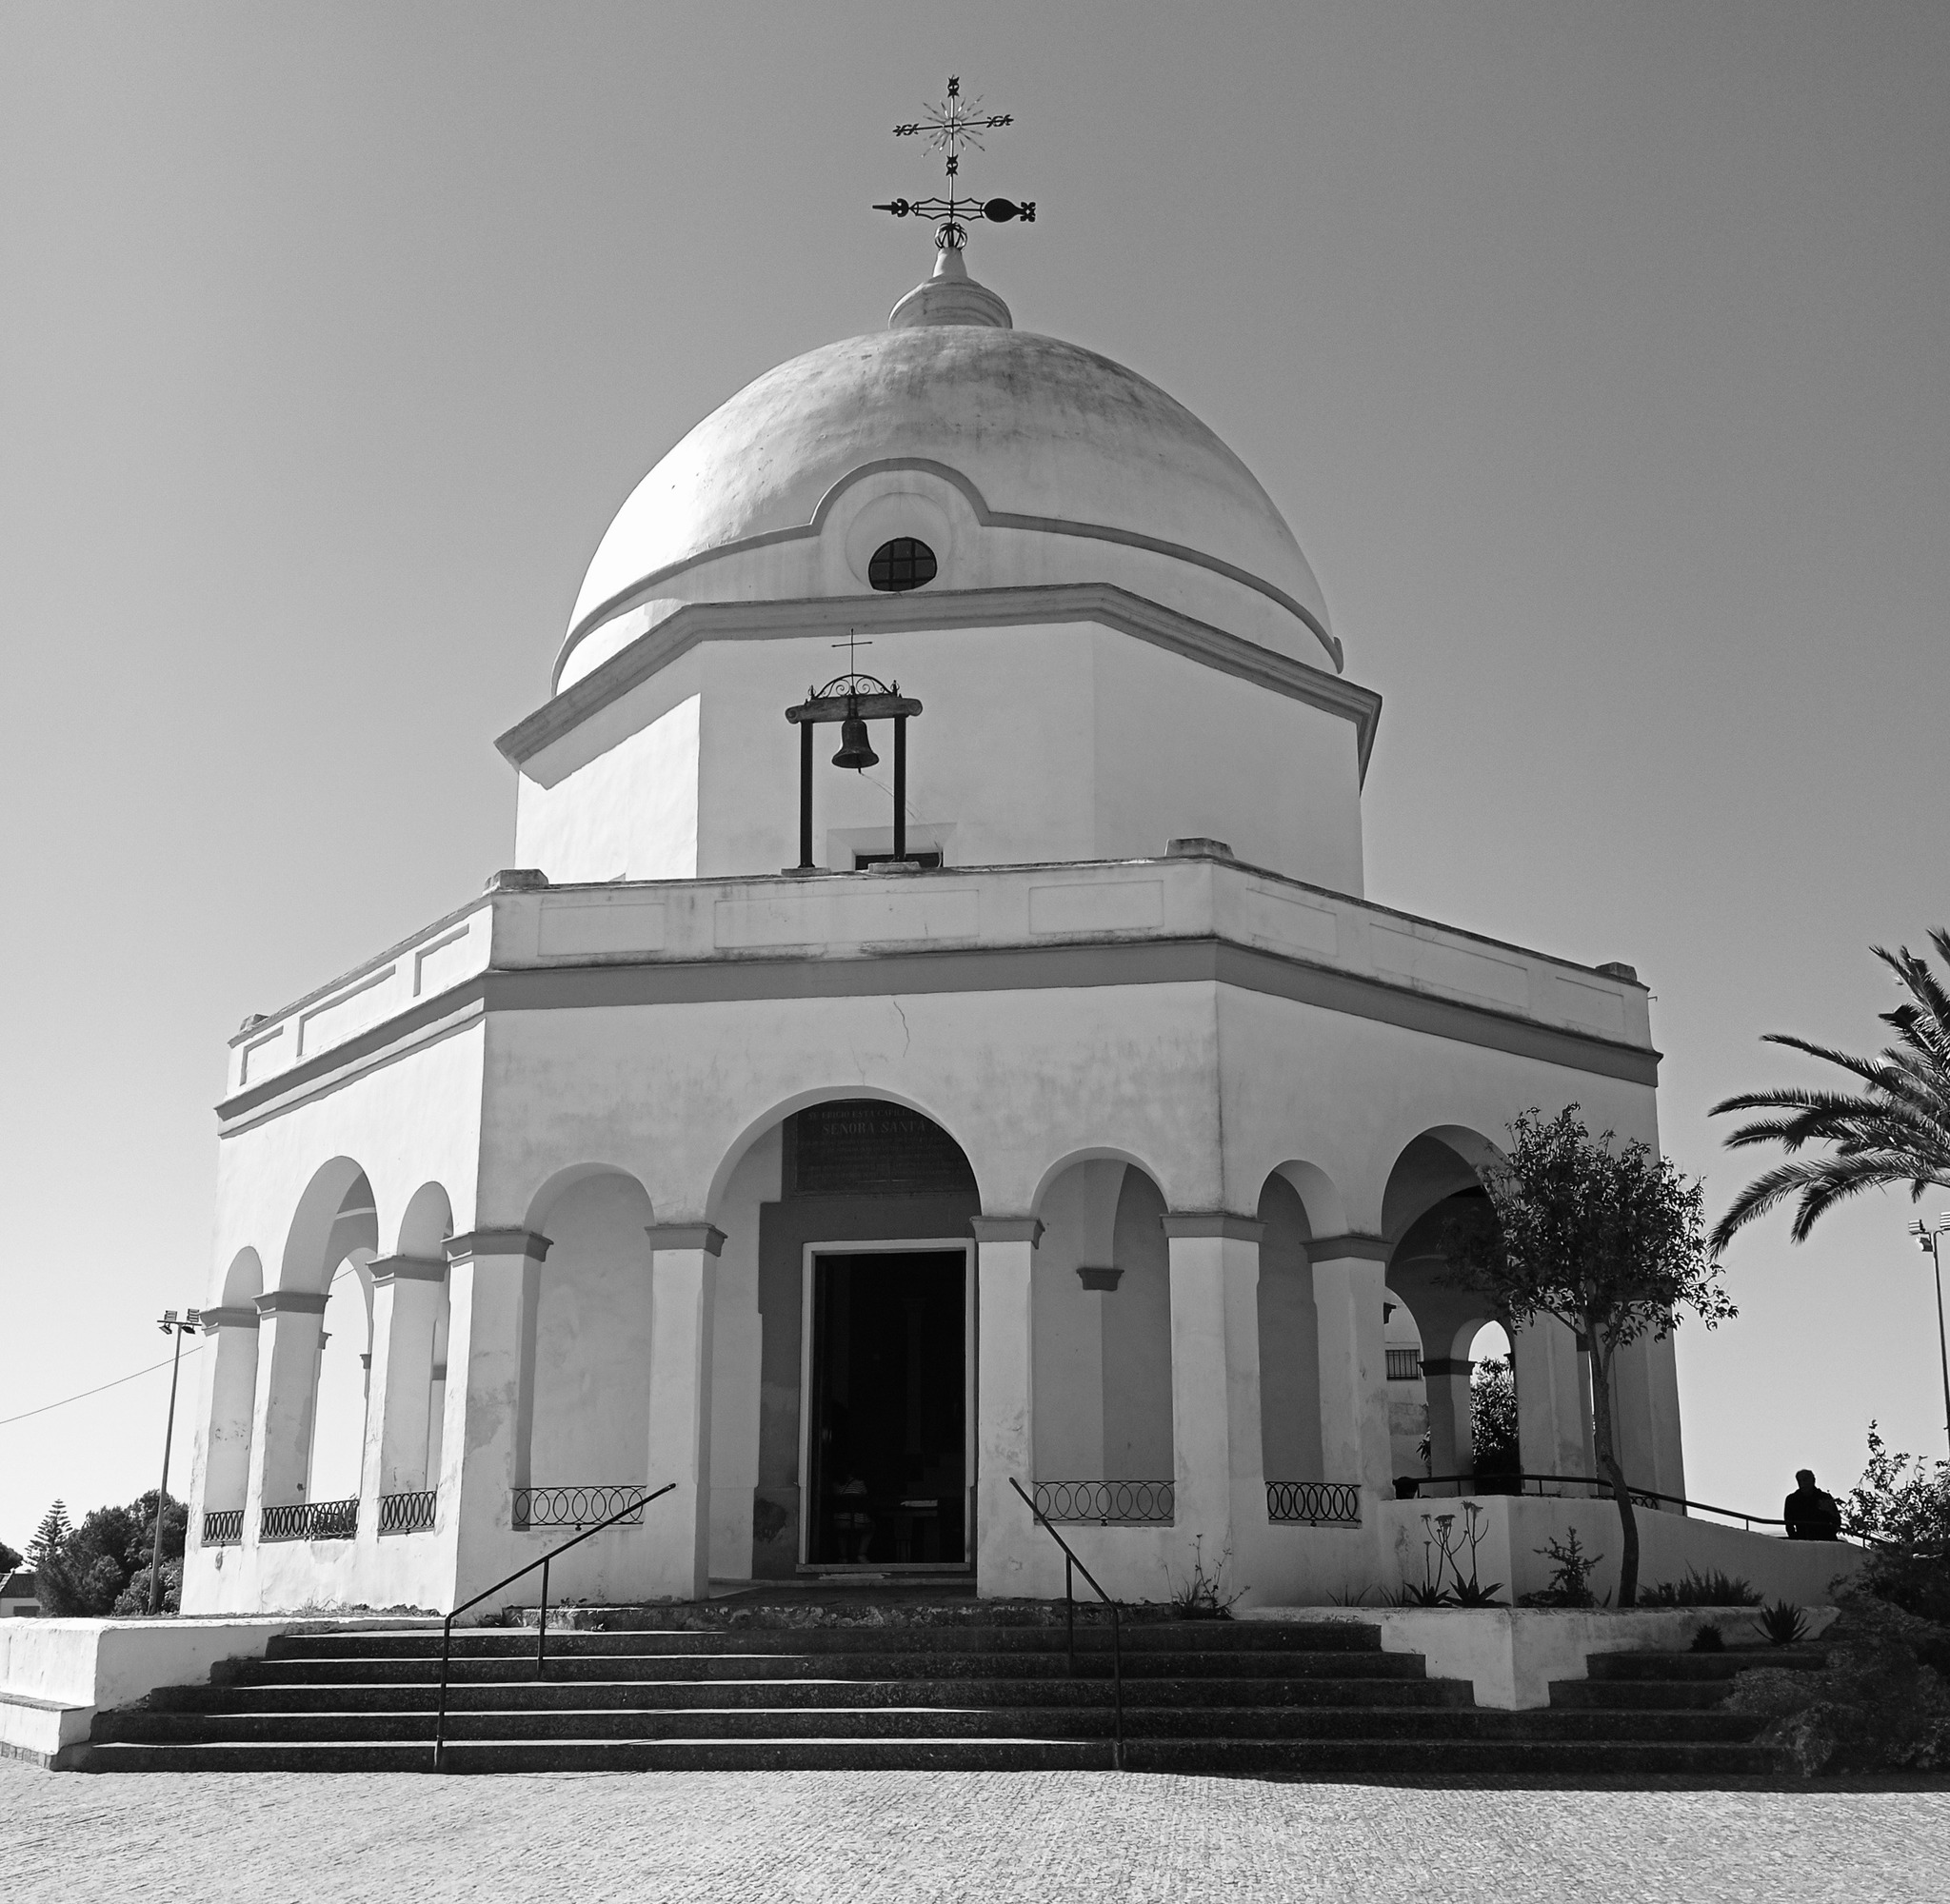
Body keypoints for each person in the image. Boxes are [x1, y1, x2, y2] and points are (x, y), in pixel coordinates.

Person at [1783, 1468, 1842, 1540]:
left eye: (1805, 1480)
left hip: (1825, 1540)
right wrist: (1796, 1541)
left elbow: (1837, 1521)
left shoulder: (1825, 1498)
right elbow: (1789, 1525)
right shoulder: (1792, 1500)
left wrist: (1829, 1535)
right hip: (1803, 1541)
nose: (1802, 1483)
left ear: (1813, 1480)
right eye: (1800, 1481)